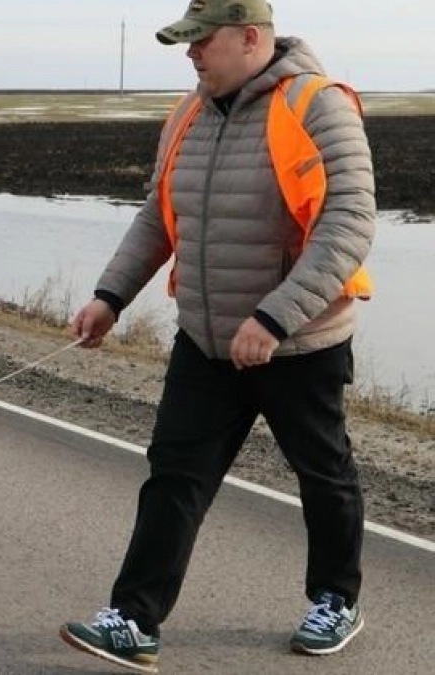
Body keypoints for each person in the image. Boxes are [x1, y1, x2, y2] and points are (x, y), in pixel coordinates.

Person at [58, 1, 375, 672]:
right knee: (174, 473)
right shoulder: (188, 115)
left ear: (250, 38)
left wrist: (274, 317)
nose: (191, 54)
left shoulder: (318, 106)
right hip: (205, 340)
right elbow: (157, 215)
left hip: (300, 344)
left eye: (202, 41)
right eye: (187, 42)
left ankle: (335, 600)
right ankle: (134, 619)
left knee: (324, 473)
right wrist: (110, 297)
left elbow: (348, 224)